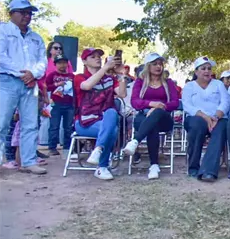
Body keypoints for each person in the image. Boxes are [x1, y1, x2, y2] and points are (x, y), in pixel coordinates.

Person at [0, 0, 48, 175]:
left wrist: (33, 74)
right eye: (22, 12)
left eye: (29, 13)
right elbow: (1, 56)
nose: (27, 16)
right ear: (11, 13)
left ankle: (28, 161)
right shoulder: (3, 31)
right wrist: (23, 73)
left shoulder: (36, 38)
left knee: (30, 124)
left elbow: (42, 61)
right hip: (7, 80)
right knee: (2, 122)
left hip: (30, 83)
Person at [122, 53, 179, 179]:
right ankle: (154, 165)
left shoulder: (168, 82)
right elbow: (135, 102)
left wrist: (159, 107)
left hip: (164, 118)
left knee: (157, 113)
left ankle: (135, 141)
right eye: (155, 64)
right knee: (152, 126)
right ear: (148, 66)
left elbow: (175, 102)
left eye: (160, 64)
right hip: (143, 117)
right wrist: (151, 104)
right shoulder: (140, 82)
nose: (158, 66)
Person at [74, 48, 127, 181]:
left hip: (104, 119)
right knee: (112, 130)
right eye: (92, 57)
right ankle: (102, 166)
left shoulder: (110, 79)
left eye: (99, 56)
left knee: (111, 112)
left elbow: (122, 94)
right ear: (84, 61)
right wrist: (105, 68)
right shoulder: (79, 77)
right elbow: (86, 86)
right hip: (84, 122)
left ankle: (98, 150)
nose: (97, 58)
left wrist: (121, 75)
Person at [182, 56, 229, 181]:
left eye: (209, 68)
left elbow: (225, 102)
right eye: (203, 68)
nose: (207, 71)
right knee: (196, 125)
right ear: (196, 72)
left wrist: (216, 117)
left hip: (217, 118)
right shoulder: (189, 86)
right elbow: (187, 105)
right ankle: (193, 167)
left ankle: (209, 171)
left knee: (221, 129)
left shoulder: (218, 84)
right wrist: (205, 117)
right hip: (196, 117)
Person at [45, 54, 75, 156]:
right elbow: (46, 87)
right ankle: (52, 147)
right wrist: (56, 85)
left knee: (68, 127)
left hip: (69, 104)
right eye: (59, 63)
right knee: (54, 126)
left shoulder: (72, 76)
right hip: (55, 103)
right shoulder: (52, 75)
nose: (62, 65)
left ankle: (67, 147)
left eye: (64, 63)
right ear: (55, 64)